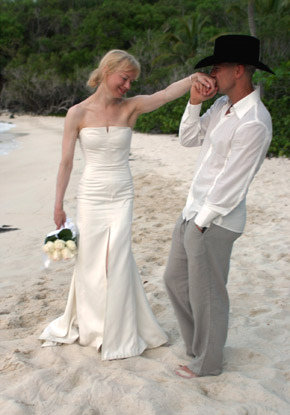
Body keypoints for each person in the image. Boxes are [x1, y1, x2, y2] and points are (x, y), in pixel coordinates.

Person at [39, 49, 215, 360]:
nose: (128, 86)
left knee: (118, 257)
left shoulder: (130, 108)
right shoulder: (77, 114)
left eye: (132, 81)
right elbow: (66, 162)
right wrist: (58, 206)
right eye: (125, 78)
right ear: (107, 71)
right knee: (91, 261)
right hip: (91, 195)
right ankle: (93, 328)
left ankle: (117, 331)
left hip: (122, 193)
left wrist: (191, 79)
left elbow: (162, 95)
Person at [164, 35, 274, 378]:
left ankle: (208, 363)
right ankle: (198, 348)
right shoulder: (221, 107)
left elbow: (232, 183)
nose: (212, 73)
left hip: (214, 220)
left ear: (238, 70)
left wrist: (201, 223)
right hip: (192, 211)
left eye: (218, 67)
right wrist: (195, 102)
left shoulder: (254, 120)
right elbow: (188, 138)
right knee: (174, 281)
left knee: (208, 294)